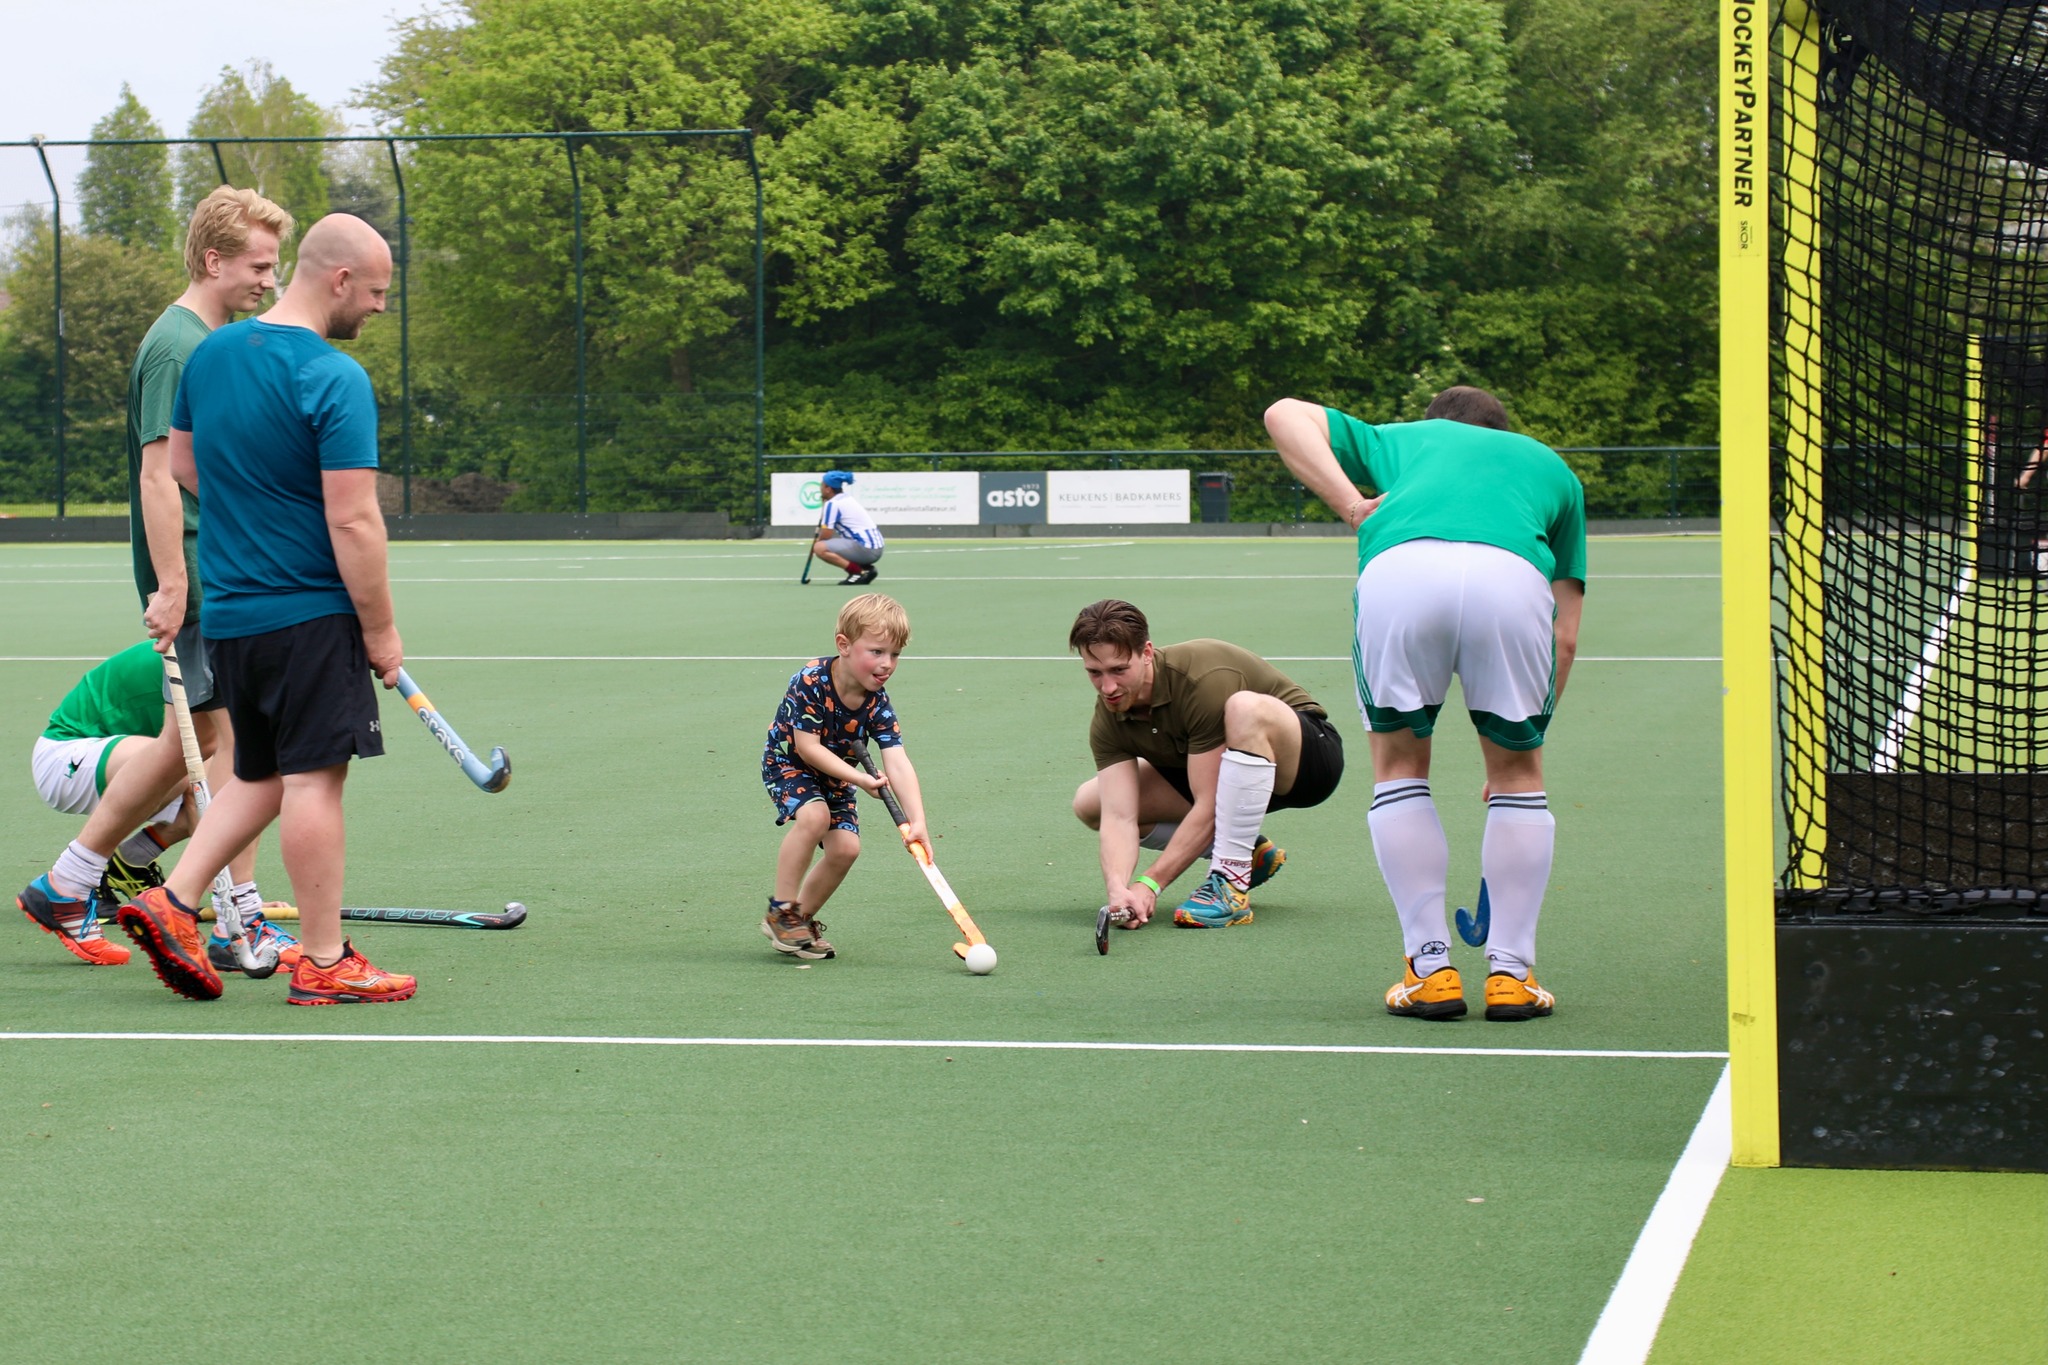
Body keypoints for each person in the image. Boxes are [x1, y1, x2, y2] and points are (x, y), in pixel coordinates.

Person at [116, 212, 412, 1006]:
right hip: (309, 612)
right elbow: (353, 520)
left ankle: (171, 901)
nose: (381, 307)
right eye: (377, 291)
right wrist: (381, 631)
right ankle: (324, 958)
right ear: (340, 279)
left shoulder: (212, 355)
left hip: (238, 612)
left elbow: (180, 462)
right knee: (315, 780)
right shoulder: (334, 377)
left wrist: (252, 517)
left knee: (259, 773)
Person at [16, 187, 294, 968]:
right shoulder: (177, 344)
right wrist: (173, 585)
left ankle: (87, 885)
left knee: (219, 742)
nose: (269, 282)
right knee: (229, 748)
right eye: (258, 266)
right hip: (202, 581)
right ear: (214, 260)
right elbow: (156, 475)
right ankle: (219, 914)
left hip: (221, 571)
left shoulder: (207, 339)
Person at [1265, 385, 1586, 1022]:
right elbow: (1566, 634)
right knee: (1521, 781)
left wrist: (1353, 505)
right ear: (1503, 429)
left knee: (1401, 769)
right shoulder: (1553, 468)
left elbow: (1283, 414)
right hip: (1513, 580)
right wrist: (1525, 747)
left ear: (1431, 423)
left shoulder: (1403, 440)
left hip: (1401, 572)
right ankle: (1511, 977)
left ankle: (1431, 970)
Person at [1069, 599, 1345, 932]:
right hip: (1222, 778)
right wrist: (1119, 889)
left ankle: (1230, 879)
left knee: (1244, 708)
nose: (1108, 687)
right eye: (1094, 673)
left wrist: (1150, 883)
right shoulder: (1108, 717)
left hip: (1305, 763)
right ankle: (1250, 856)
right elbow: (1119, 816)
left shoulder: (1199, 679)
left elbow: (1211, 804)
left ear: (1146, 653)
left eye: (1119, 670)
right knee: (1091, 803)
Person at [759, 593, 931, 959]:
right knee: (815, 816)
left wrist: (917, 821)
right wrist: (862, 781)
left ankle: (799, 924)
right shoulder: (811, 680)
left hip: (835, 779)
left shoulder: (878, 702)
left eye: (895, 654)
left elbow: (897, 760)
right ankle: (781, 911)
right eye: (877, 652)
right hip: (789, 763)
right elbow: (807, 748)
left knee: (846, 849)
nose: (887, 664)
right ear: (844, 645)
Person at [810, 470, 884, 585]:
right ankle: (867, 569)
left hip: (866, 549)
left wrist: (814, 546)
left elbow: (826, 534)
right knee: (832, 543)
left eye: (822, 485)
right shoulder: (846, 498)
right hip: (876, 547)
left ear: (828, 489)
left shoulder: (833, 504)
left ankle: (857, 573)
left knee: (820, 547)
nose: (820, 488)